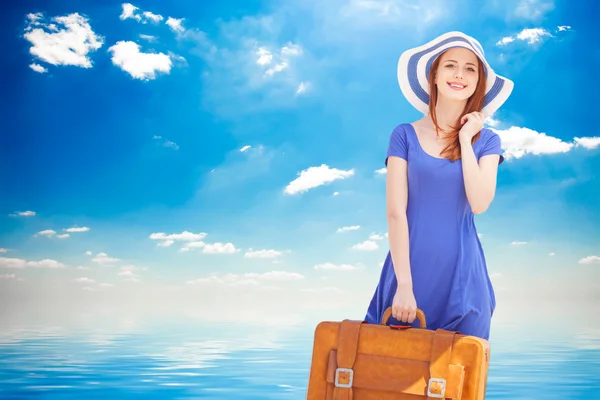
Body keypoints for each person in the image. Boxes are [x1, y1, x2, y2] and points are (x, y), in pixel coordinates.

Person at [364, 31, 514, 340]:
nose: (460, 74)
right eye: (451, 65)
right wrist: (404, 286)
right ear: (434, 75)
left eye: (470, 68)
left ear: (478, 81)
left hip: (464, 282)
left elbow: (479, 202)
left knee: (460, 383)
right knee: (386, 375)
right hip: (408, 277)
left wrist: (464, 138)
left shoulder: (487, 141)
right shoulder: (403, 135)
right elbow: (395, 213)